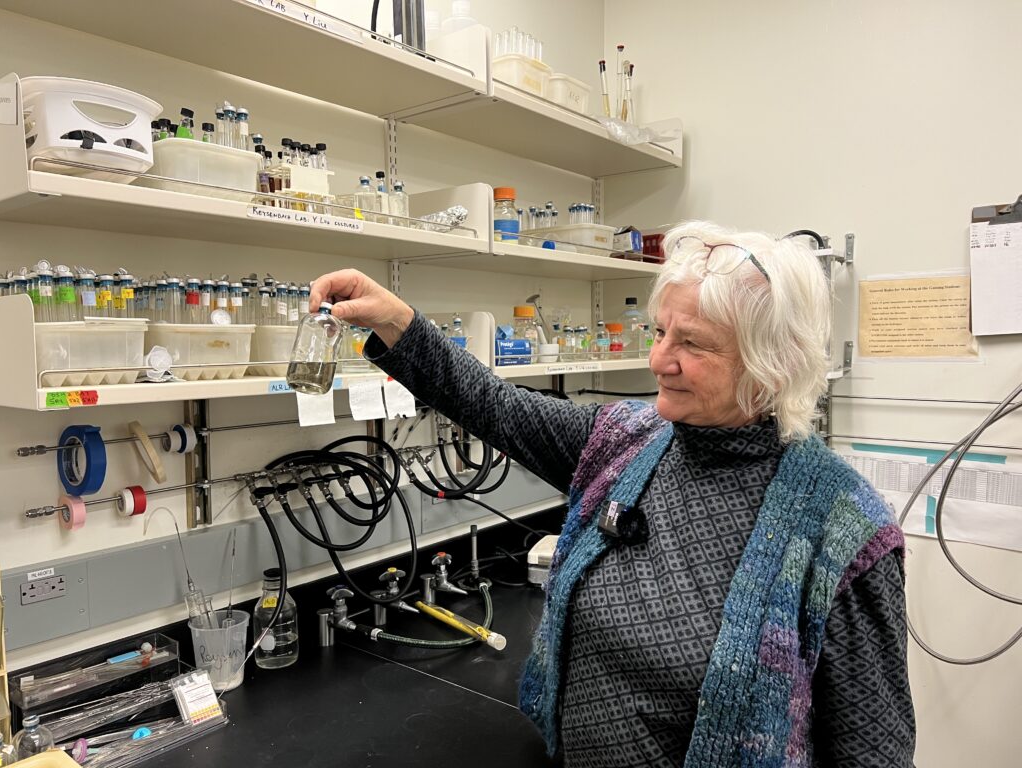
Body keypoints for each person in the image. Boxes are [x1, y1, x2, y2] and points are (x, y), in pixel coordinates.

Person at [310, 221, 916, 768]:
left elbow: (874, 751)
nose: (658, 359)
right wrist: (395, 320)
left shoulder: (844, 530)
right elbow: (493, 405)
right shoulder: (627, 441)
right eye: (658, 332)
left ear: (773, 365)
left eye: (693, 344)